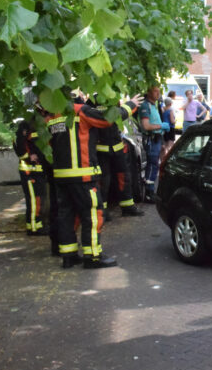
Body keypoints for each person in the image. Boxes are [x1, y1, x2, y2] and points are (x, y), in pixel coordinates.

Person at [46, 92, 142, 269]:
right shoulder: (79, 111)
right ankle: (93, 256)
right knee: (92, 214)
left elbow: (51, 144)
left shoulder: (52, 117)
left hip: (61, 176)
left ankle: (69, 255)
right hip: (83, 176)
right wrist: (130, 105)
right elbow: (108, 119)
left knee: (66, 215)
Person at [88, 95, 144, 220]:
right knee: (104, 181)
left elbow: (120, 115)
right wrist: (130, 104)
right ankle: (102, 211)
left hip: (117, 147)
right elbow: (115, 115)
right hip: (101, 149)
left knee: (124, 177)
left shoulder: (113, 96)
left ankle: (127, 206)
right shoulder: (92, 99)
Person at [13, 113, 48, 236]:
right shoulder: (25, 125)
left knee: (38, 199)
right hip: (29, 171)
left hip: (38, 170)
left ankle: (37, 225)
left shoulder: (41, 125)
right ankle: (33, 228)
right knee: (34, 200)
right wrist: (28, 156)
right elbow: (19, 146)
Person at [139, 86, 170, 203]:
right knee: (152, 165)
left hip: (156, 139)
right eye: (155, 91)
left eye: (159, 91)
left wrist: (161, 136)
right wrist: (161, 126)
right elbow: (146, 126)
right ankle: (148, 193)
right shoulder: (145, 106)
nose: (158, 93)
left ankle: (150, 192)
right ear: (148, 92)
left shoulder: (154, 105)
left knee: (154, 165)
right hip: (151, 139)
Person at [161, 93, 177, 161]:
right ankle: (168, 159)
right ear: (170, 103)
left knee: (165, 144)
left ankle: (163, 159)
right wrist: (175, 120)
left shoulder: (163, 110)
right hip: (170, 128)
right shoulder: (170, 110)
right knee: (170, 146)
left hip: (164, 128)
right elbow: (172, 121)